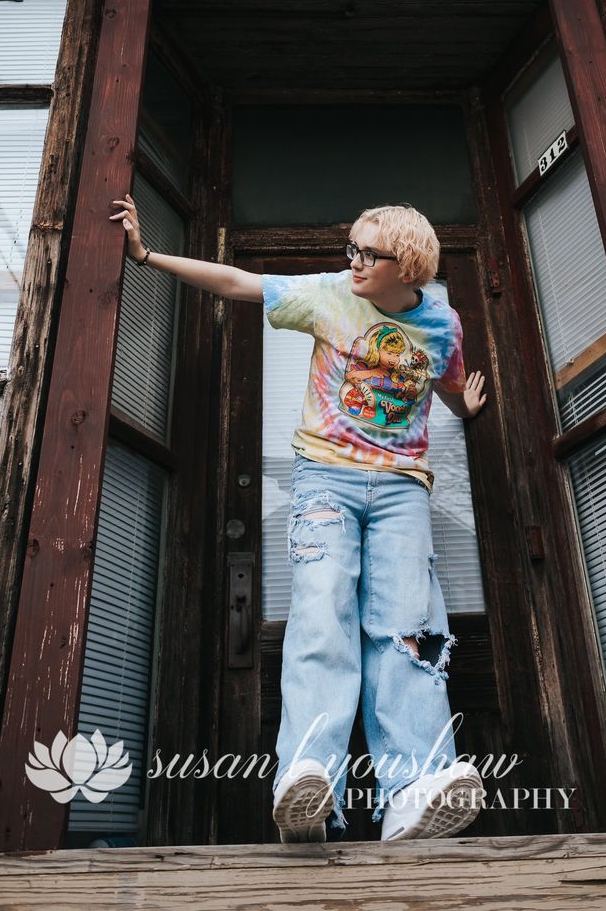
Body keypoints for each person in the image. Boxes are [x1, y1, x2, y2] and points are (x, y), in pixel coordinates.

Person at [109, 193, 488, 843]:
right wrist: (147, 256)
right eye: (353, 248)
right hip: (325, 483)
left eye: (370, 253)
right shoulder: (329, 295)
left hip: (402, 491)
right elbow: (237, 282)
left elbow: (443, 384)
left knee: (410, 630)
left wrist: (466, 408)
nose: (355, 261)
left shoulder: (444, 325)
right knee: (322, 618)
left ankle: (415, 789)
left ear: (410, 266)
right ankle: (309, 781)